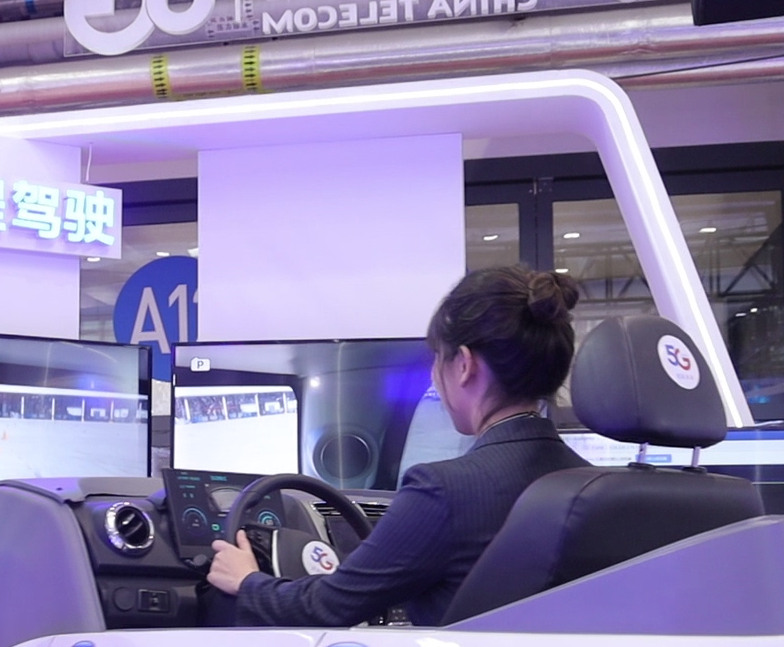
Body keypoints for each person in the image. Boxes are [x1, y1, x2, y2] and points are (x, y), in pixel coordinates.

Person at [208, 266, 590, 627]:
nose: (435, 375)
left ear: (464, 365)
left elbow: (327, 605)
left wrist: (247, 581)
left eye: (438, 358)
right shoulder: (591, 487)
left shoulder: (444, 491)